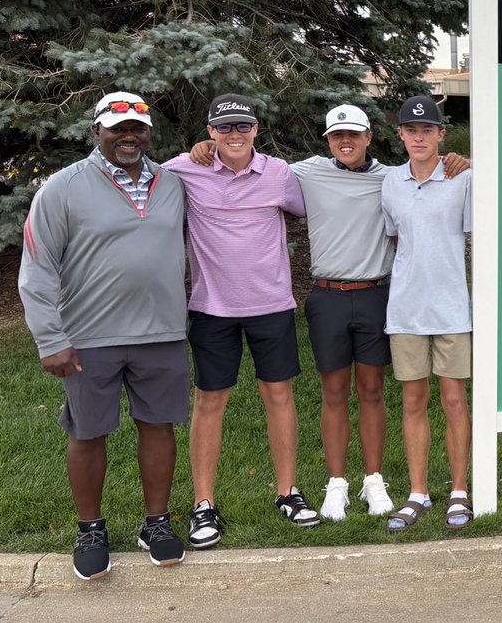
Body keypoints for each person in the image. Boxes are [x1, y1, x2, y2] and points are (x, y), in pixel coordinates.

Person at [188, 106, 469, 521]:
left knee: (372, 391)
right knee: (333, 393)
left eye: (354, 134)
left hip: (375, 293)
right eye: (338, 136)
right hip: (327, 296)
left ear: (370, 137)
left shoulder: (390, 178)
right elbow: (249, 159)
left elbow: (428, 176)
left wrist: (456, 161)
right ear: (327, 141)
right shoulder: (303, 173)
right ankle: (336, 484)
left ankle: (374, 480)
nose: (346, 142)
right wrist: (210, 147)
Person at [19, 92, 189, 579]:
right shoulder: (62, 188)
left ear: (149, 133)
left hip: (161, 332)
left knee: (158, 426)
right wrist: (49, 337)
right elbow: (37, 267)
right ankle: (90, 528)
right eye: (118, 128)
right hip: (89, 336)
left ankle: (156, 523)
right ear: (97, 132)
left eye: (138, 128)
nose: (129, 136)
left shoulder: (172, 183)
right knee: (88, 431)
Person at [163, 94, 316, 548]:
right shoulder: (183, 170)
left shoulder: (279, 174)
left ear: (257, 129)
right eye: (224, 128)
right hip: (212, 309)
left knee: (279, 395)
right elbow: (140, 182)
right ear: (210, 132)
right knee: (209, 401)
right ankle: (203, 504)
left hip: (271, 305)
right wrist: (193, 152)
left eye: (242, 127)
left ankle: (287, 492)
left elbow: (315, 197)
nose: (234, 135)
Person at [379, 96, 475, 530]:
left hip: (453, 309)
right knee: (413, 400)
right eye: (411, 130)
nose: (419, 137)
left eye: (427, 130)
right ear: (400, 135)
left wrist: (471, 161)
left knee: (454, 401)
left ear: (441, 135)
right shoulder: (390, 182)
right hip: (406, 311)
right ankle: (418, 493)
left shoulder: (462, 177)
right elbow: (395, 237)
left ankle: (459, 491)